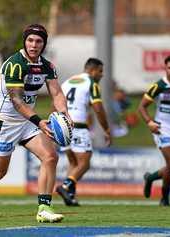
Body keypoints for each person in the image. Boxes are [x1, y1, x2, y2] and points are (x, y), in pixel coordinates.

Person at [0, 24, 69, 223]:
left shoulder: (47, 66)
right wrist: (38, 122)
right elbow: (16, 101)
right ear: (25, 41)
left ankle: (44, 208)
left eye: (39, 41)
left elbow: (57, 93)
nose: (34, 45)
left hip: (26, 123)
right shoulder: (14, 64)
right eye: (30, 40)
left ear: (44, 44)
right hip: (4, 124)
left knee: (50, 157)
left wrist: (65, 115)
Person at [56, 58, 112, 206]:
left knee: (73, 162)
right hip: (78, 126)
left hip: (63, 125)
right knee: (84, 163)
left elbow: (54, 103)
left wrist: (55, 126)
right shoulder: (91, 83)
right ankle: (65, 186)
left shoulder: (67, 82)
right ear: (92, 70)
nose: (101, 75)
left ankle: (70, 196)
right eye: (100, 71)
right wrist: (106, 128)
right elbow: (98, 108)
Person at [138, 55, 170, 206]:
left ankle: (151, 179)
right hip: (162, 128)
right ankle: (164, 198)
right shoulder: (159, 86)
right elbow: (141, 107)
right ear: (165, 68)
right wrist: (149, 122)